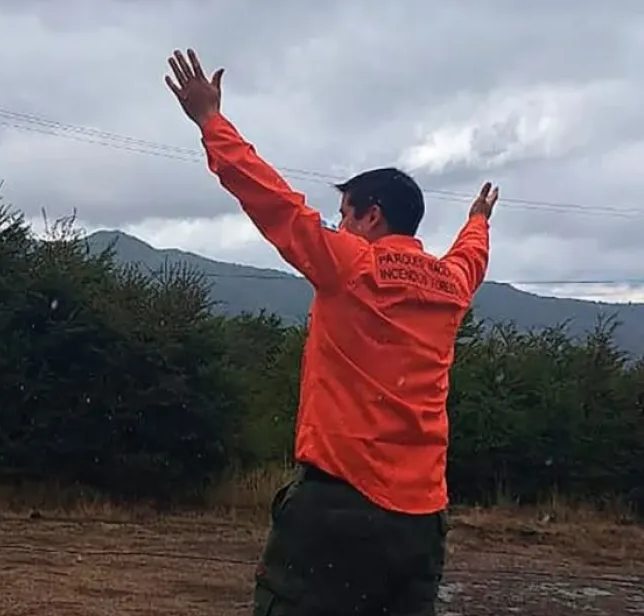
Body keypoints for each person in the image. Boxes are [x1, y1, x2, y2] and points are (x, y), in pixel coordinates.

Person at [165, 49, 498, 615]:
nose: (338, 224)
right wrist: (478, 220)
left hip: (337, 508)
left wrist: (210, 122)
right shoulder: (450, 286)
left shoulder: (351, 265)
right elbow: (472, 257)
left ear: (372, 216)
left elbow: (273, 203)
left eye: (344, 213)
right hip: (421, 521)